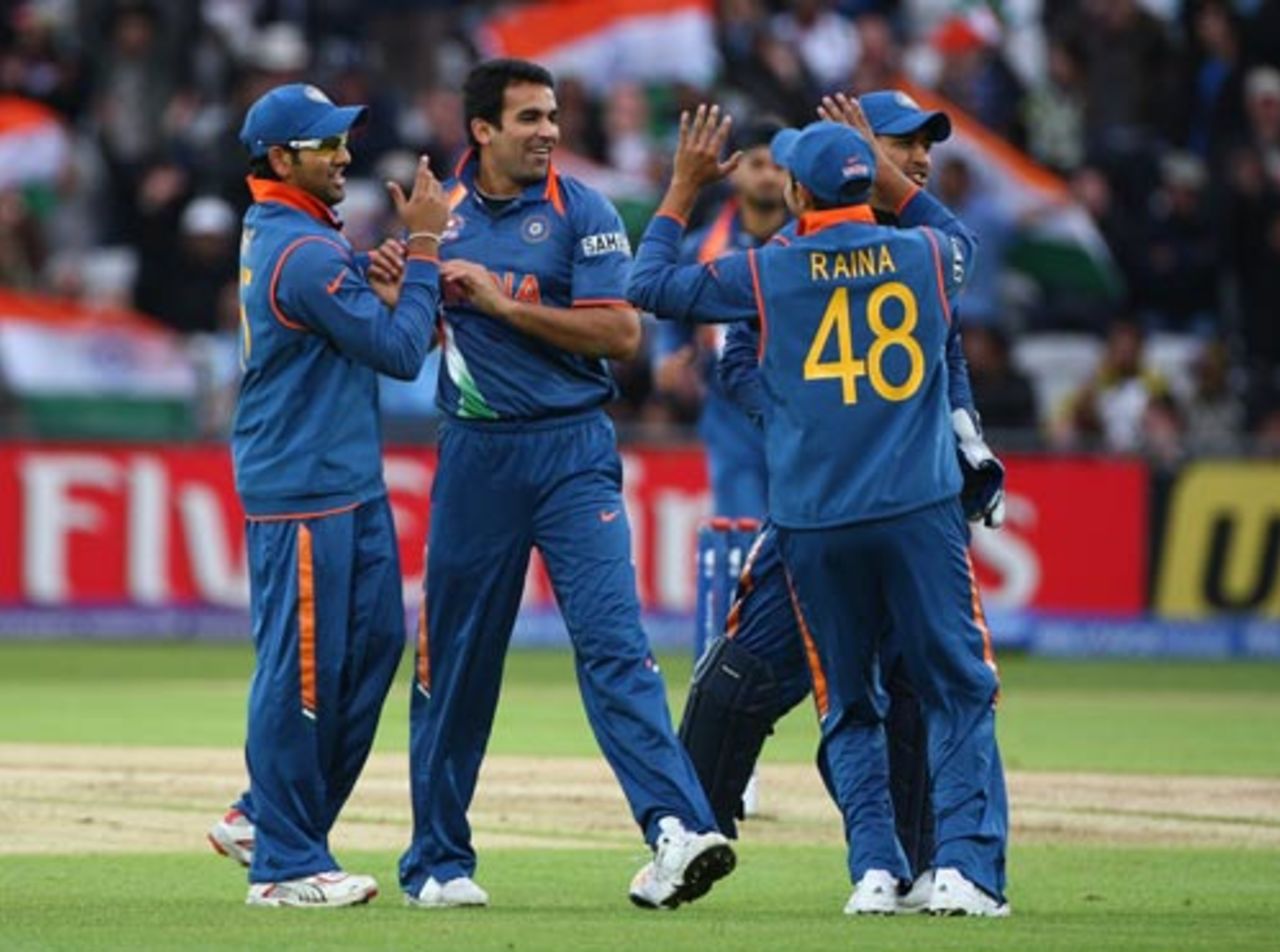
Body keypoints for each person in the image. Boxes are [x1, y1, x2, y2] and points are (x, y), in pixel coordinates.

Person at [628, 101, 1010, 917]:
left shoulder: (769, 269)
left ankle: (883, 869)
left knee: (857, 701)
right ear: (866, 174)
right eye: (896, 150)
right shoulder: (925, 253)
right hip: (911, 510)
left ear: (801, 194)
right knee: (953, 689)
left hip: (817, 517)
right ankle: (963, 872)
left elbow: (648, 286)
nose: (914, 159)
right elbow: (962, 249)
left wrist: (681, 188)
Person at [397, 58, 734, 912]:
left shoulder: (580, 209)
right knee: (457, 663)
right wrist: (399, 279)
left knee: (615, 643)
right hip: (477, 456)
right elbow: (399, 319)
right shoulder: (443, 214)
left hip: (573, 450)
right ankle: (437, 862)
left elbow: (621, 332)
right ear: (482, 130)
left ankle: (676, 830)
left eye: (552, 116)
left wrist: (502, 306)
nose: (548, 130)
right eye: (529, 118)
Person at [204, 81, 450, 908]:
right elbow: (403, 350)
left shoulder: (300, 234)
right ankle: (283, 864)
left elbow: (365, 321)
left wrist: (380, 273)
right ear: (281, 159)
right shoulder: (302, 252)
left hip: (341, 477)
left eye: (342, 139)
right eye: (325, 144)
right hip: (302, 483)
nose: (344, 153)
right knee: (300, 673)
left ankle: (264, 815)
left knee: (374, 646)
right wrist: (422, 249)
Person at [650, 117, 789, 522]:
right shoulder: (700, 248)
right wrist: (667, 360)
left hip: (799, 405)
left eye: (778, 167)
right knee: (742, 535)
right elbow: (673, 322)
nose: (768, 176)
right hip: (729, 414)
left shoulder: (810, 244)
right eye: (757, 165)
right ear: (734, 171)